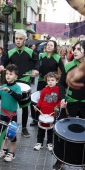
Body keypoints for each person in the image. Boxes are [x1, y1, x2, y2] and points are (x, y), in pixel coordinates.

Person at [54, 41, 85, 170]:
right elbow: (61, 84)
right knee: (64, 132)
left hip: (84, 104)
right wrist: (62, 98)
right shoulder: (68, 65)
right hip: (70, 103)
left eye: (79, 49)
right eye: (74, 48)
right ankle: (60, 160)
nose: (75, 51)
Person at [2, 29, 39, 137]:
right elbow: (2, 63)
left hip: (25, 82)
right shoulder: (10, 52)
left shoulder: (30, 52)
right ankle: (9, 127)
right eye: (16, 38)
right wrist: (1, 68)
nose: (18, 41)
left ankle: (24, 128)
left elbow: (37, 61)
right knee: (10, 106)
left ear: (25, 40)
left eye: (20, 39)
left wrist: (35, 69)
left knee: (25, 107)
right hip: (13, 83)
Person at [0, 64, 22, 162]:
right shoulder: (3, 86)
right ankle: (4, 149)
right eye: (7, 74)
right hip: (2, 113)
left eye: (11, 74)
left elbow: (19, 98)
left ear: (16, 77)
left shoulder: (17, 87)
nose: (8, 76)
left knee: (12, 134)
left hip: (12, 114)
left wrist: (10, 91)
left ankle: (12, 152)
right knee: (4, 133)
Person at [33, 72, 60, 151]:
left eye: (52, 80)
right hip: (43, 113)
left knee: (50, 130)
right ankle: (39, 143)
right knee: (41, 129)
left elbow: (59, 101)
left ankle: (49, 143)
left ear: (57, 81)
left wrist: (57, 107)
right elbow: (41, 99)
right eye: (48, 80)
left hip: (52, 113)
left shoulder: (58, 90)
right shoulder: (44, 90)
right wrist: (37, 106)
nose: (50, 82)